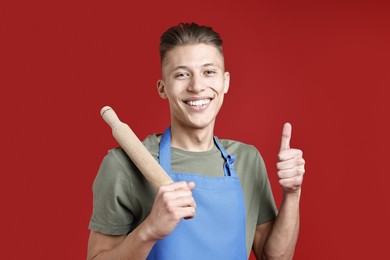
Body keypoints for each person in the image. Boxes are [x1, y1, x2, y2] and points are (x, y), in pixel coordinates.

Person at [87, 23, 305, 260]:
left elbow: (274, 257)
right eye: (181, 74)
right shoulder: (125, 165)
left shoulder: (247, 160)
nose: (197, 86)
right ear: (163, 88)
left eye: (208, 72)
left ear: (225, 81)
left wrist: (292, 194)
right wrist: (149, 231)